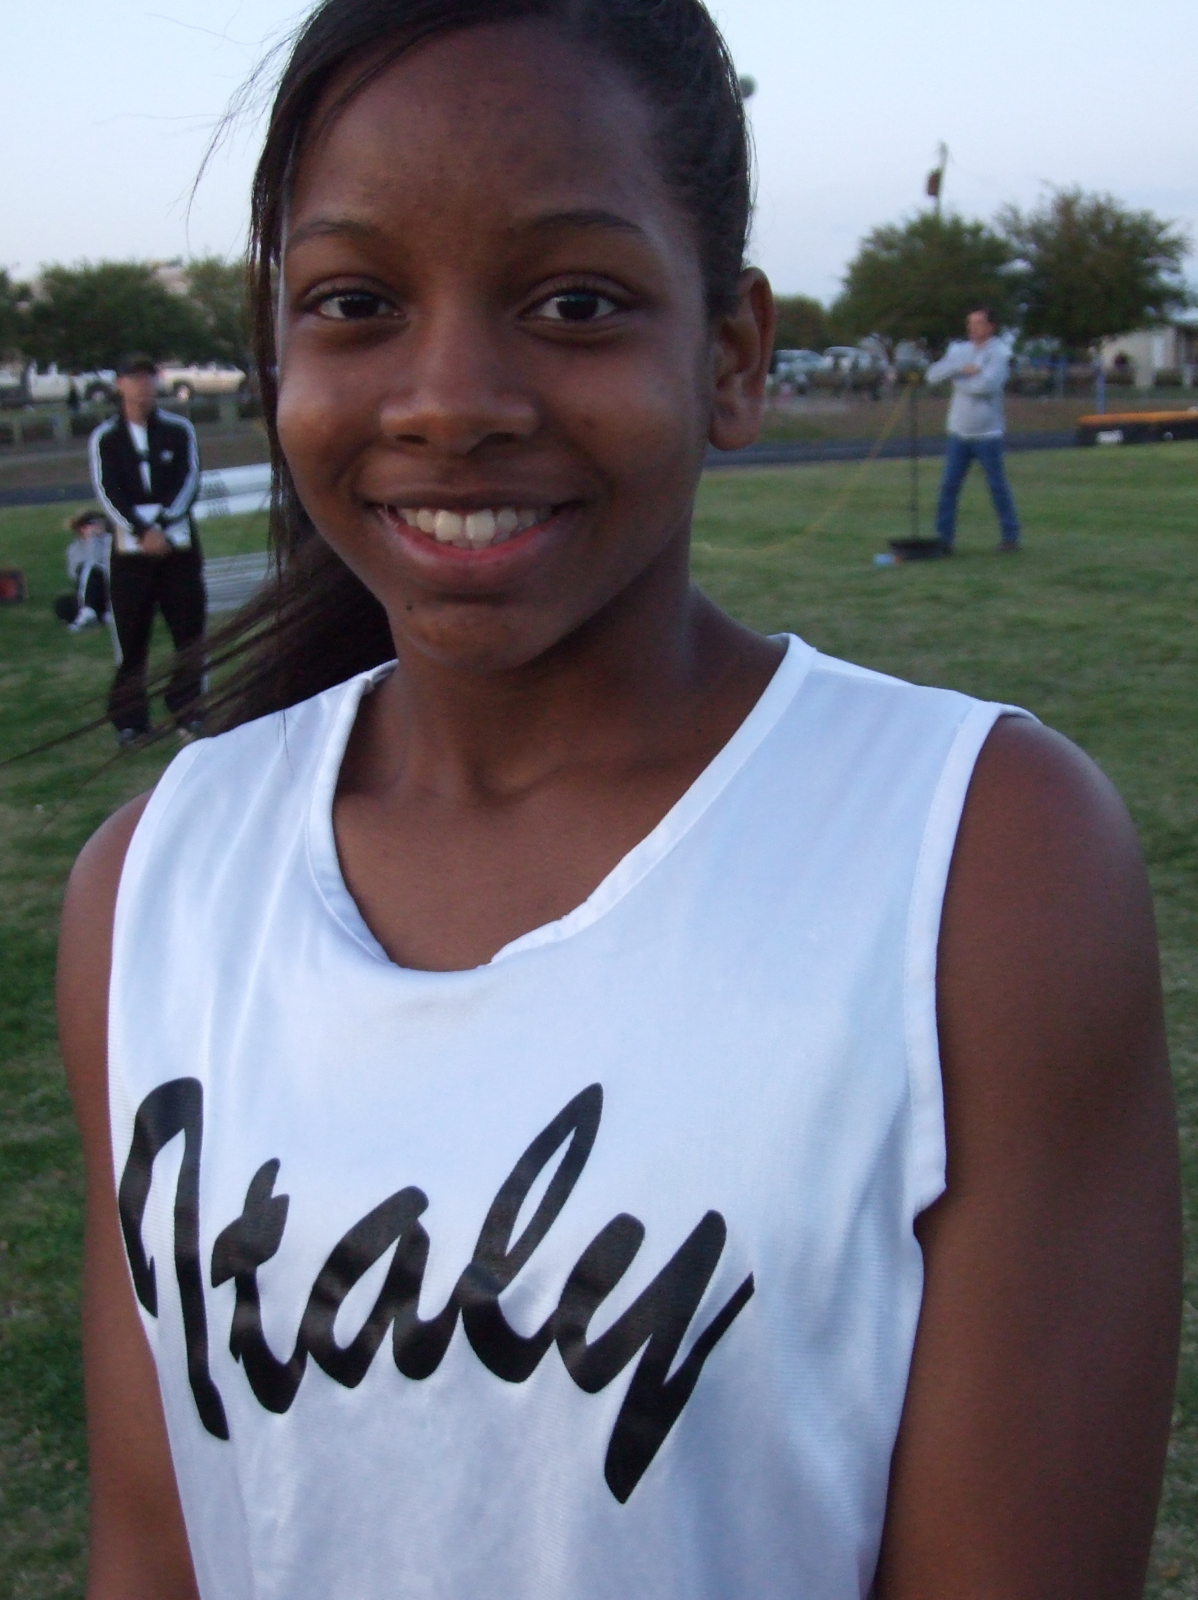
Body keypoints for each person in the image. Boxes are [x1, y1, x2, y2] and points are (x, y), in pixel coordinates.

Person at [58, 4, 1179, 1598]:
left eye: (574, 302)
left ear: (732, 358)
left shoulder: (981, 865)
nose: (450, 398)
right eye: (356, 302)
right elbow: (158, 1540)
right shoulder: (151, 889)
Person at [88, 354, 205, 745]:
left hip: (177, 549)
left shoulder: (178, 429)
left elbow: (189, 480)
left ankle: (189, 710)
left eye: (147, 376)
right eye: (132, 377)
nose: (141, 385)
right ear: (119, 384)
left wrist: (164, 525)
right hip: (130, 555)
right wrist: (141, 531)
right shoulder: (106, 437)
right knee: (132, 637)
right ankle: (130, 720)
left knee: (189, 632)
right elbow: (107, 490)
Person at [927, 309, 1022, 552]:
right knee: (948, 487)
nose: (972, 328)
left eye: (978, 323)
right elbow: (933, 375)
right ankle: (944, 539)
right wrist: (959, 369)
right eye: (970, 323)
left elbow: (986, 386)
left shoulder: (999, 353)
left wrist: (956, 381)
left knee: (997, 486)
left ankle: (1010, 536)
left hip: (987, 433)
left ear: (991, 326)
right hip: (959, 431)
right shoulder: (959, 351)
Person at [53, 508, 111, 632]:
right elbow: (74, 574)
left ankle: (88, 613)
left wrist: (93, 540)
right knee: (62, 604)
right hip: (86, 590)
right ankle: (93, 613)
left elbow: (98, 562)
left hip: (107, 584)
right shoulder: (74, 548)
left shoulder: (108, 540)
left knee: (90, 567)